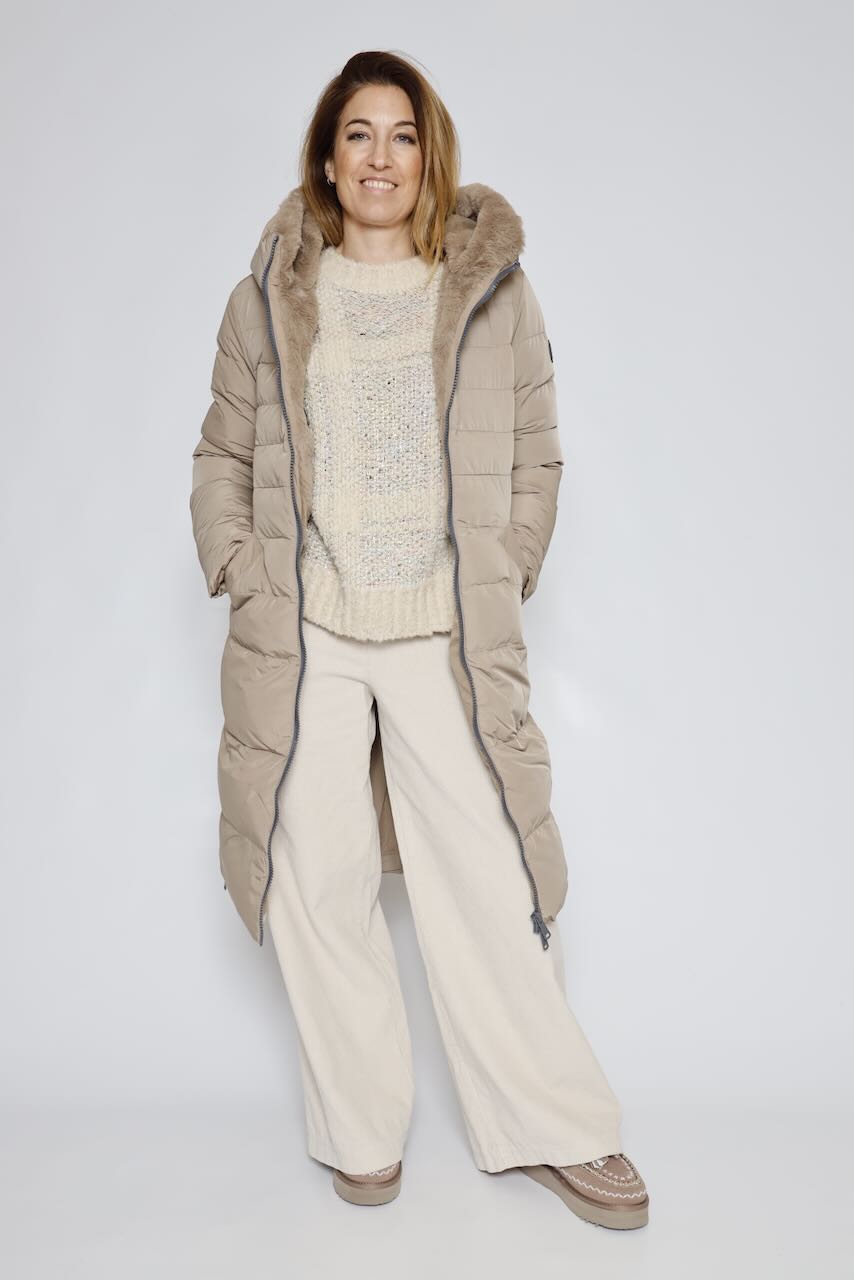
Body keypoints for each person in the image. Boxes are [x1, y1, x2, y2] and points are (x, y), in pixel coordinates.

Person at [189, 49, 649, 1230]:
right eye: (357, 134)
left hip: (441, 627)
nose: (379, 157)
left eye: (400, 135)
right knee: (316, 876)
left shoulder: (488, 292)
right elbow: (222, 453)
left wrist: (509, 560)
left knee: (489, 877)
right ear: (326, 158)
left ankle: (553, 1123)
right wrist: (242, 568)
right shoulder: (265, 297)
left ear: (427, 154)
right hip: (310, 632)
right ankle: (358, 1128)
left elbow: (536, 450)